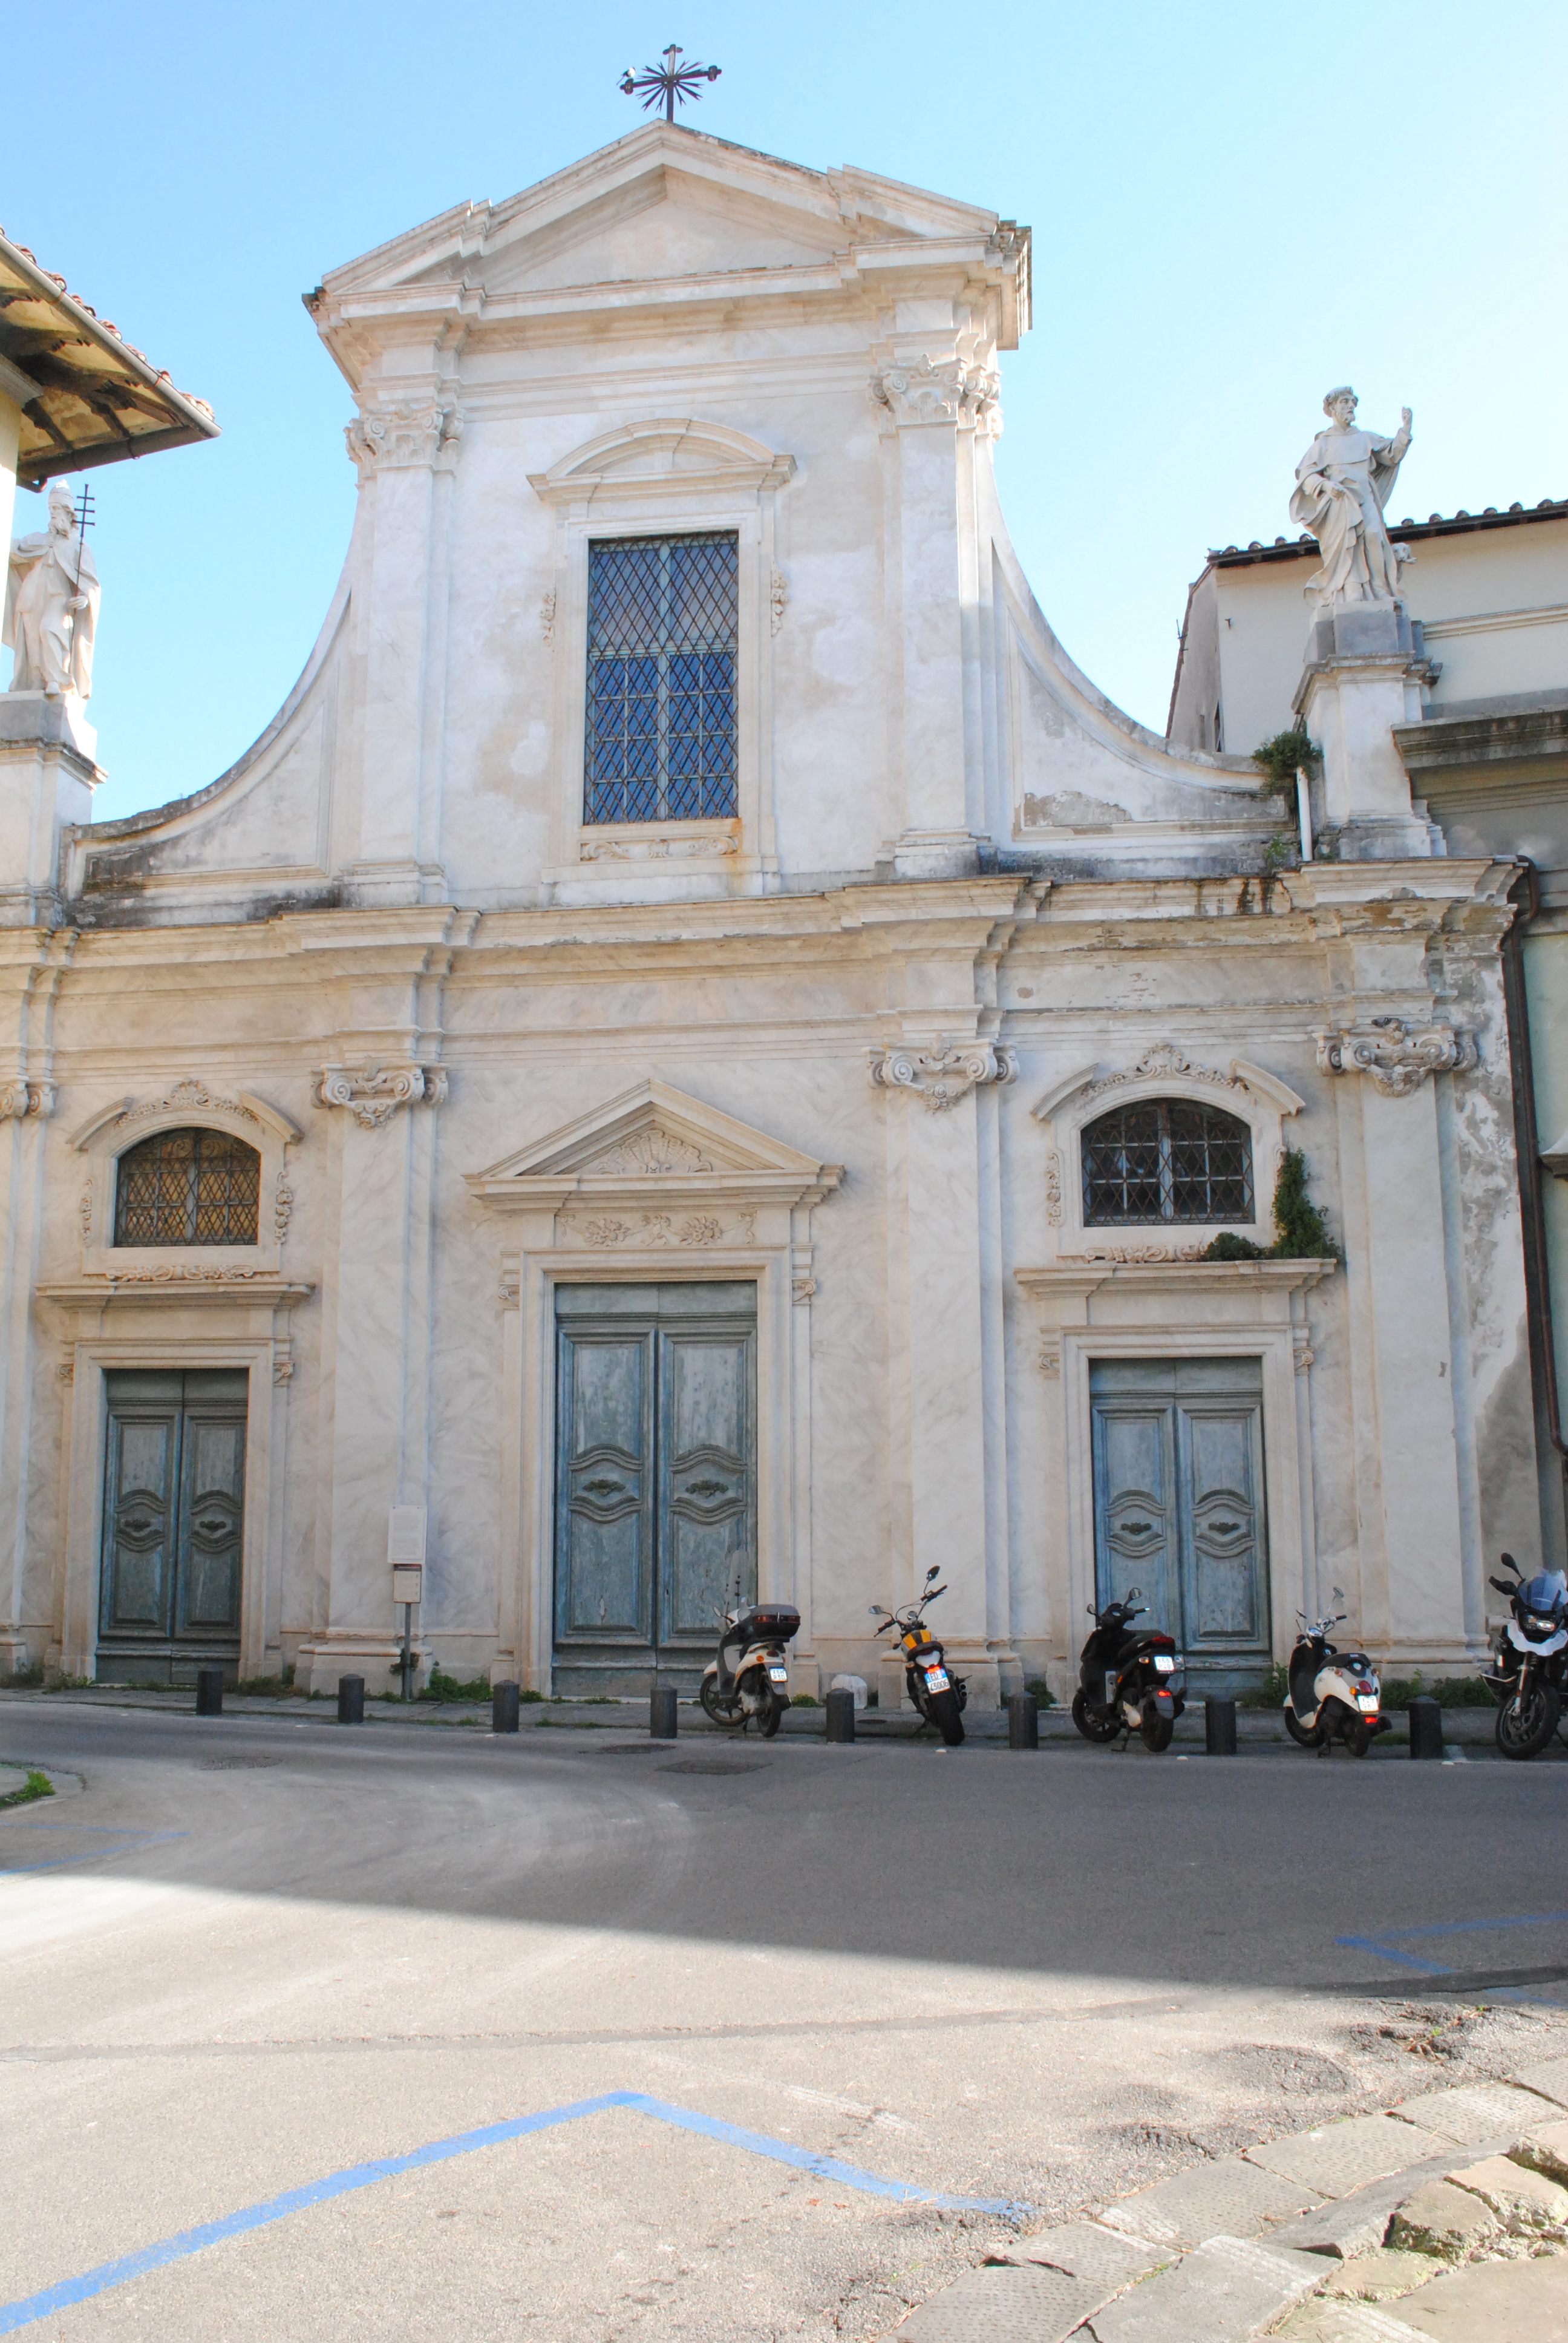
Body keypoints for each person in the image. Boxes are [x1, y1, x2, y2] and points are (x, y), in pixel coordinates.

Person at [1290, 387, 1413, 609]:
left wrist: (1405, 431)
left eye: (1352, 402)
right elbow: (1305, 475)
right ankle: (1352, 588)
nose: (1350, 406)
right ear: (1333, 408)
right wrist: (1326, 485)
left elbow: (1391, 453)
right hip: (1341, 501)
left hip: (1366, 497)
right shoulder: (1323, 444)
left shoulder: (1365, 438)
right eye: (1345, 402)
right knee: (1350, 543)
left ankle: (1380, 590)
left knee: (1374, 535)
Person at [4, 478, 100, 697]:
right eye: (51, 509)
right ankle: (38, 681)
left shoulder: (78, 546)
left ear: (68, 512)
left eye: (56, 509)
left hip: (59, 599)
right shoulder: (40, 540)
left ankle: (58, 679)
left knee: (50, 629)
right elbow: (15, 549)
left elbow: (91, 584)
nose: (53, 514)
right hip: (32, 599)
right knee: (33, 643)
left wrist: (85, 598)